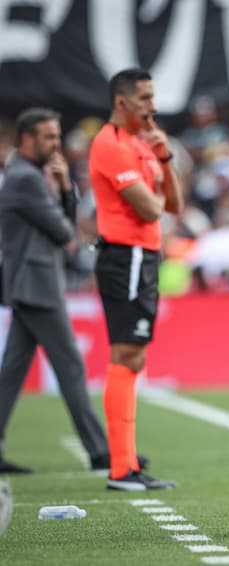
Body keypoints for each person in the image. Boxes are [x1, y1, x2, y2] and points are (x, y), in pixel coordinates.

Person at [88, 68, 184, 490]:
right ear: (122, 101)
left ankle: (126, 463)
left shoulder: (141, 146)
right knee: (126, 355)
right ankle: (121, 467)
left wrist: (164, 157)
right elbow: (149, 208)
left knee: (134, 358)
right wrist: (155, 180)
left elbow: (174, 204)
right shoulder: (110, 145)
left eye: (153, 96)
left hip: (143, 256)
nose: (153, 105)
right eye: (144, 97)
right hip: (124, 255)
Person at [0, 108, 110, 475]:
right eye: (49, 137)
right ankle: (99, 452)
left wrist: (64, 187)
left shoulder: (24, 175)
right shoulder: (26, 179)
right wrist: (64, 191)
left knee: (12, 372)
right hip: (37, 285)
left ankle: (99, 450)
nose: (56, 145)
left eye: (57, 136)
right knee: (71, 367)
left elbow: (65, 229)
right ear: (28, 139)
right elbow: (65, 233)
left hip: (32, 283)